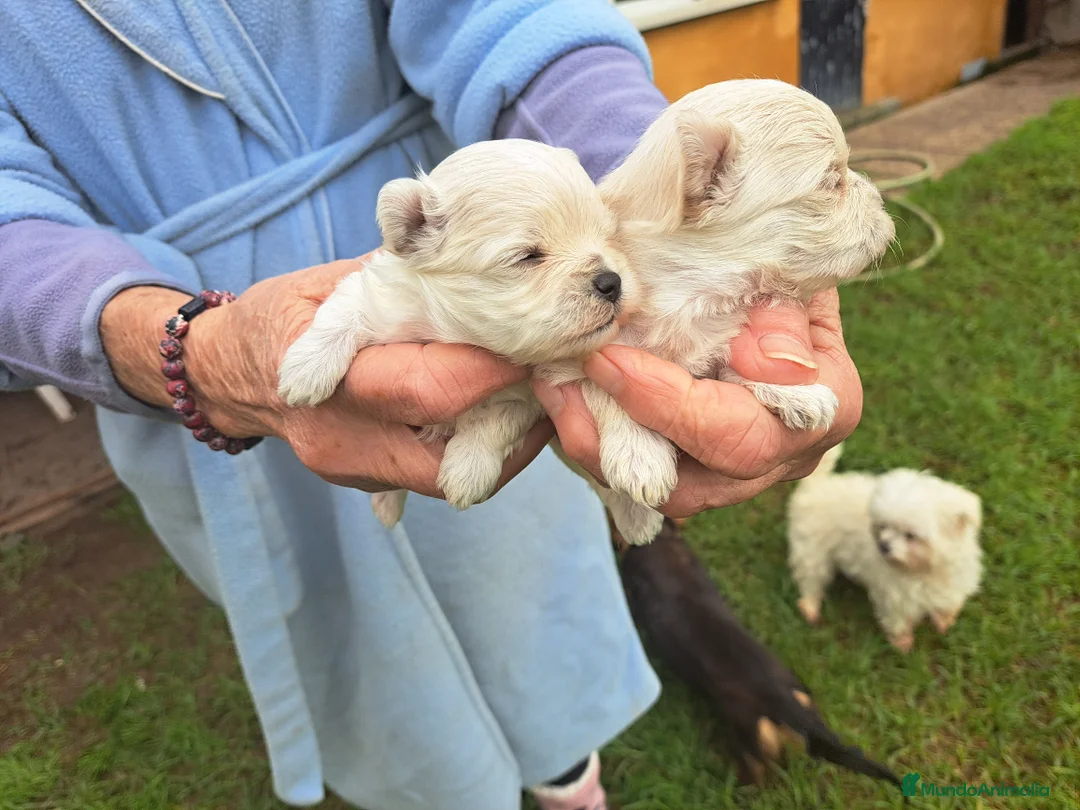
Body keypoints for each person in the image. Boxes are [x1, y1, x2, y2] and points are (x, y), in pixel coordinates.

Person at [0, 2, 859, 809]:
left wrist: (670, 208)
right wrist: (170, 346)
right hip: (175, 315)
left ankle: (568, 771)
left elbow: (514, 17)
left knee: (525, 583)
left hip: (496, 251)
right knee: (358, 643)